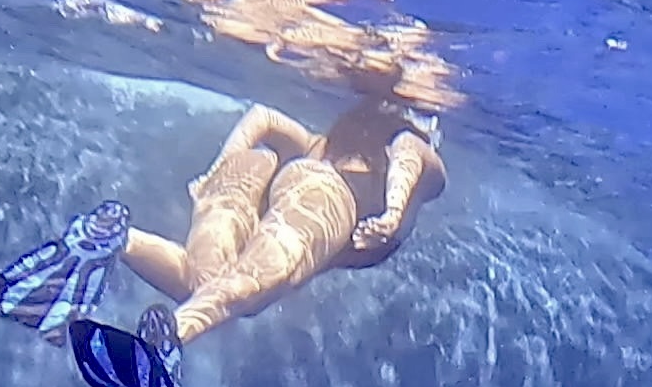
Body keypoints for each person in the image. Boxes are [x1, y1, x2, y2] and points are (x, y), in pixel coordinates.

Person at [122, 95, 445, 343]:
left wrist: (216, 171)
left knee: (203, 285)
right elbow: (406, 148)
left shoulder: (320, 145)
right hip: (324, 199)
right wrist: (393, 213)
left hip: (265, 176)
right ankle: (160, 344)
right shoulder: (426, 170)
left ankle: (120, 240)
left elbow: (263, 115)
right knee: (245, 291)